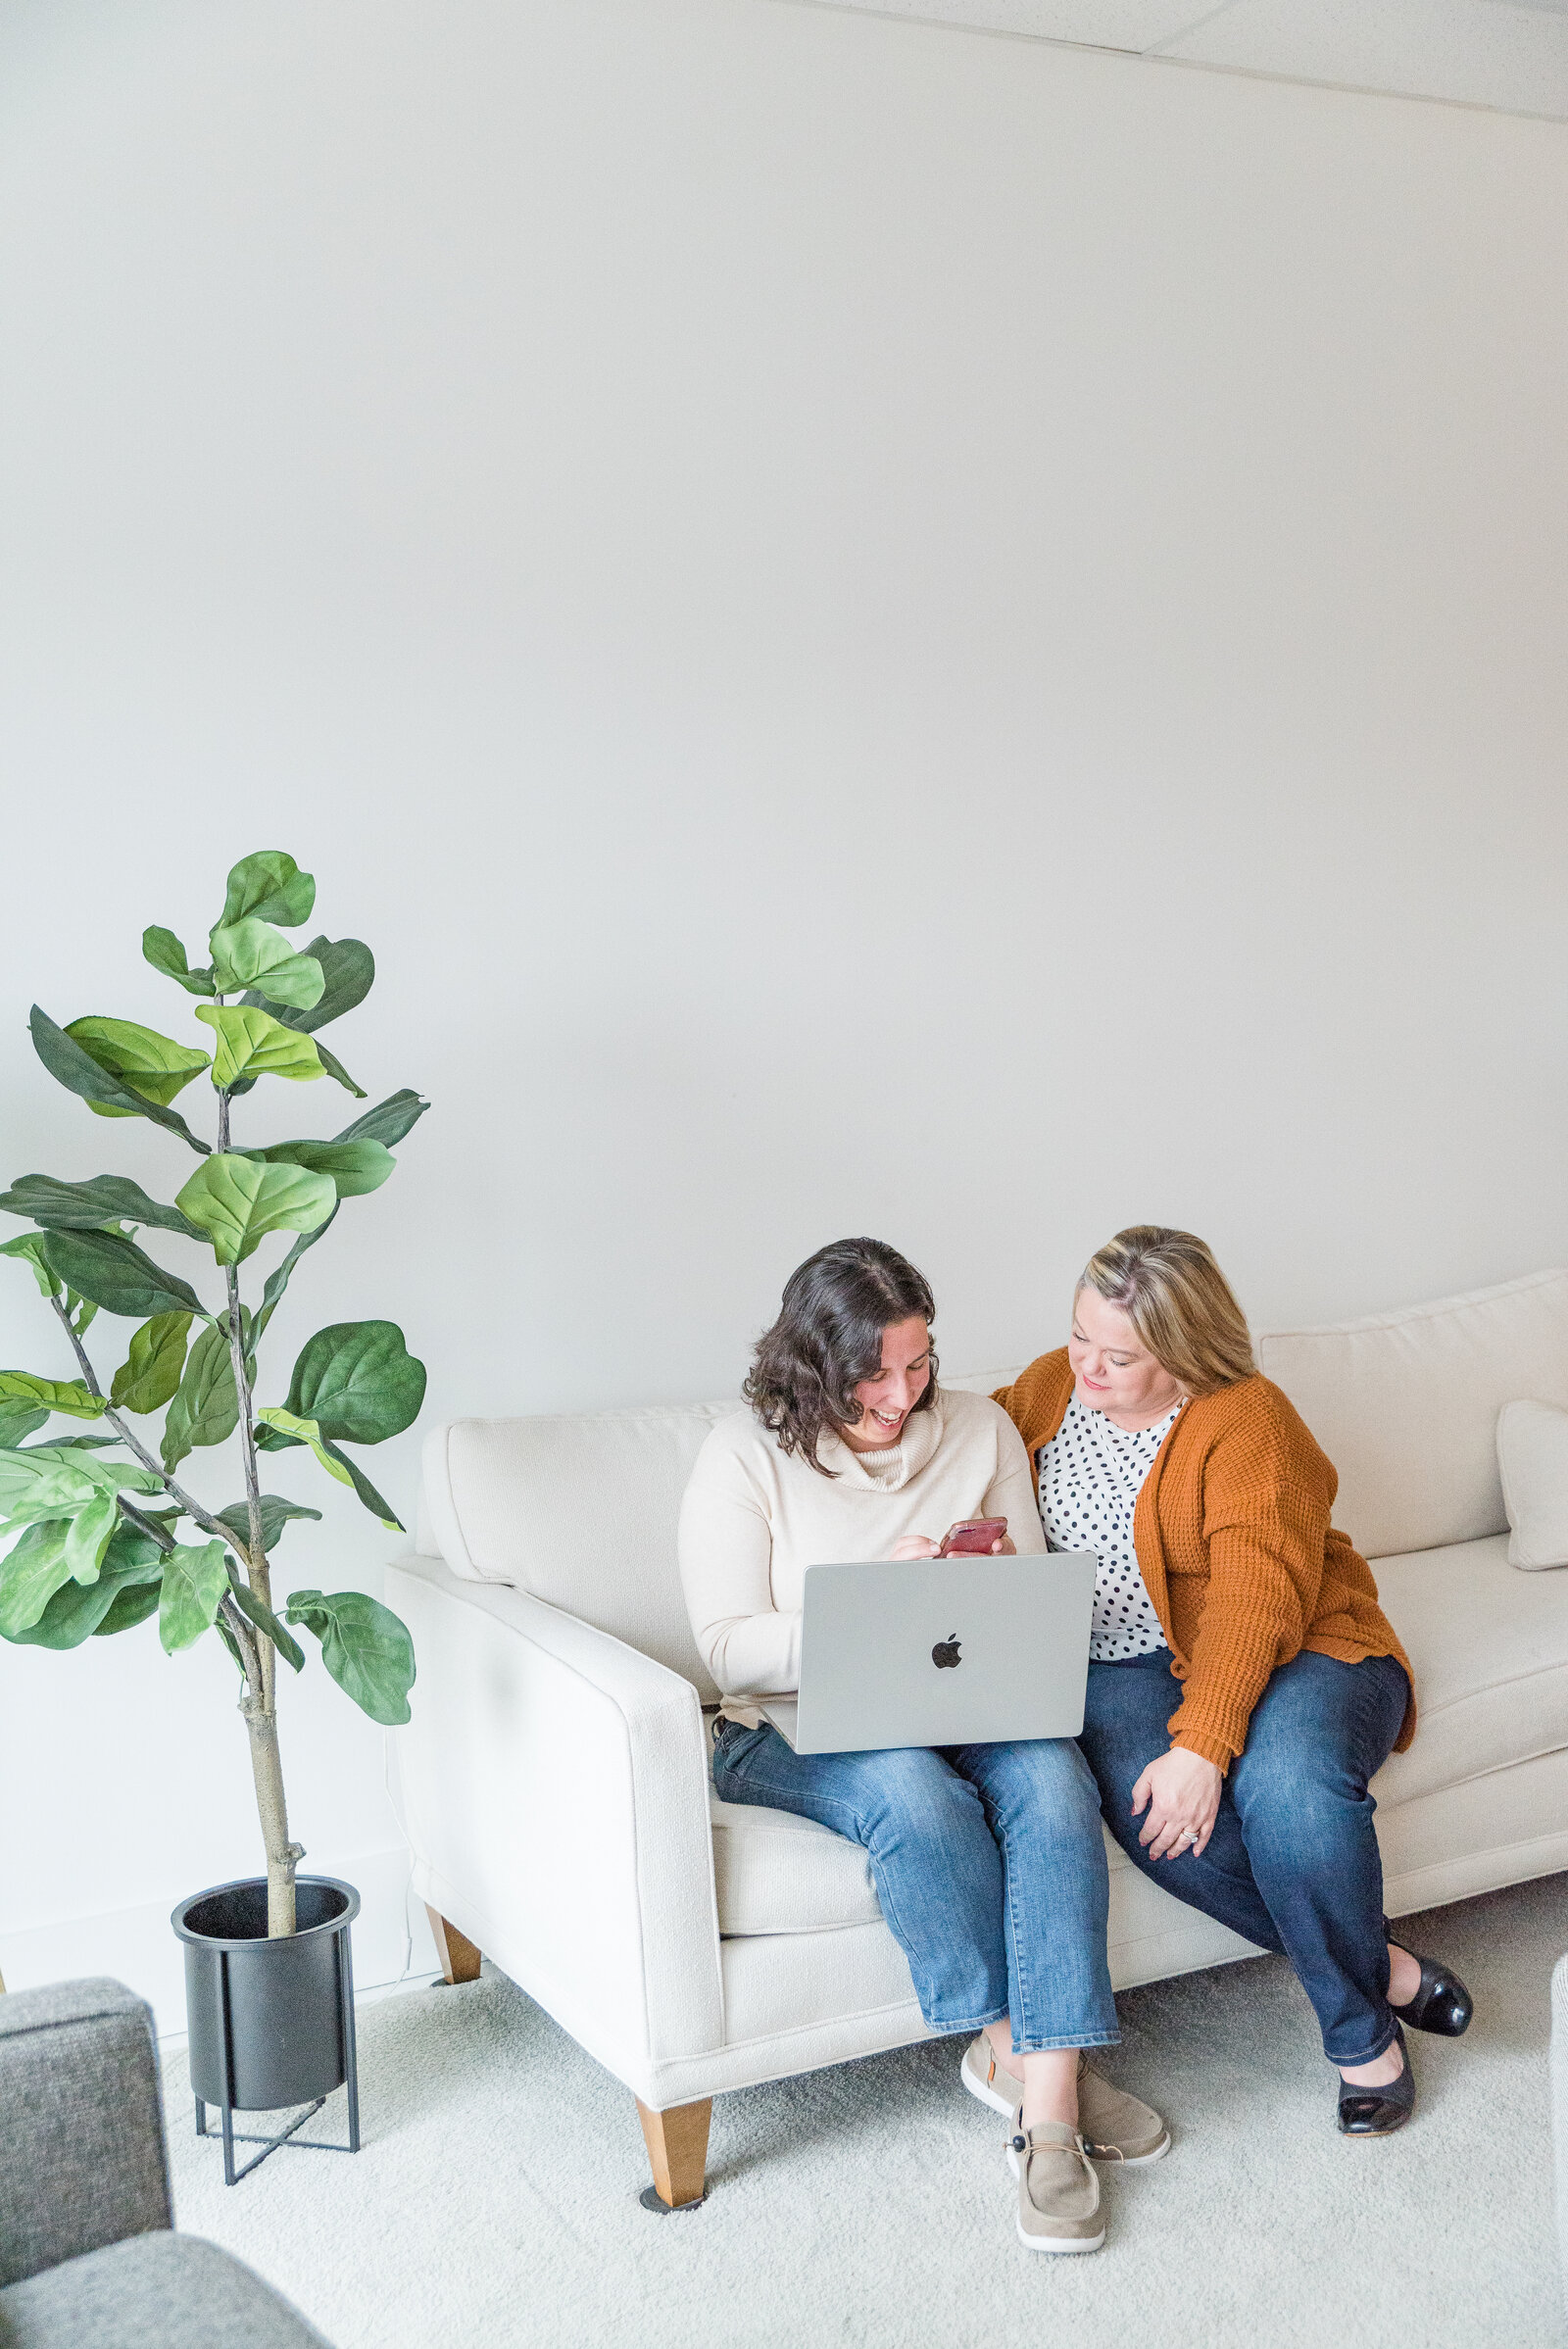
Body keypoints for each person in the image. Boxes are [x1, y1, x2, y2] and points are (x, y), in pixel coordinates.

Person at [679, 1237, 1169, 2254]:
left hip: (963, 1701)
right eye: (873, 1372)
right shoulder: (742, 1453)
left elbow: (1034, 1596)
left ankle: (1036, 2082)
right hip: (786, 1722)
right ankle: (1043, 2090)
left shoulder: (977, 1428)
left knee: (1051, 1781)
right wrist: (877, 1606)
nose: (901, 1393)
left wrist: (966, 1592)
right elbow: (726, 1645)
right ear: (812, 1363)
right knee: (915, 1801)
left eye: (917, 1363)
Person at [995, 1225, 1473, 2136]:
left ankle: (1361, 2038)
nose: (1088, 1365)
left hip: (1306, 1644)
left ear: (1183, 1352)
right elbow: (966, 1452)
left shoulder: (1249, 1419)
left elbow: (1257, 1598)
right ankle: (1390, 1967)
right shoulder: (1048, 1388)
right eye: (1079, 1334)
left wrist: (1203, 1744)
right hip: (1118, 1664)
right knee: (1155, 1816)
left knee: (1289, 1791)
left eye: (1120, 1353)